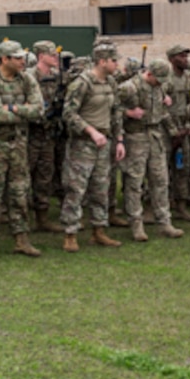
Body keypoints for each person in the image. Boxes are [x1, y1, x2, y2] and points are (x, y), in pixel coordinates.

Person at [0, 40, 44, 260]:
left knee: (20, 192)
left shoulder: (27, 79)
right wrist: (24, 111)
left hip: (18, 144)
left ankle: (22, 239)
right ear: (5, 59)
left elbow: (39, 110)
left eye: (23, 57)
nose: (23, 61)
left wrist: (13, 108)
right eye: (18, 58)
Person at [60, 43, 126, 252]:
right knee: (76, 189)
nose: (117, 64)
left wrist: (120, 140)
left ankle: (99, 230)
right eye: (113, 60)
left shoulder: (111, 83)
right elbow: (69, 114)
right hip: (83, 144)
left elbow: (116, 112)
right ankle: (70, 233)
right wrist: (90, 131)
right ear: (102, 61)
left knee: (101, 188)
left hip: (104, 143)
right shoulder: (82, 83)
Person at [117, 59, 185, 241]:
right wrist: (128, 113)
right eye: (158, 79)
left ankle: (164, 222)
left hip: (155, 136)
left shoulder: (159, 87)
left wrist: (173, 131)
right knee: (135, 182)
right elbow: (110, 110)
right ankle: (136, 224)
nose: (161, 83)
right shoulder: (128, 88)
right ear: (149, 74)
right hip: (135, 137)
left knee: (160, 180)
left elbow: (162, 112)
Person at [27, 41, 66, 233]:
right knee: (23, 176)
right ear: (41, 56)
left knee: (45, 176)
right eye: (52, 55)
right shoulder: (28, 77)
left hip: (49, 134)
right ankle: (18, 218)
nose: (56, 58)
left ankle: (42, 218)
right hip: (30, 134)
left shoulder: (58, 77)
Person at [165, 45, 190, 222]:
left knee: (183, 167)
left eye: (186, 56)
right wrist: (172, 131)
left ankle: (181, 206)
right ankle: (161, 204)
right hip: (166, 129)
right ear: (172, 59)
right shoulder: (166, 78)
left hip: (182, 129)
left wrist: (187, 126)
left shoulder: (186, 79)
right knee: (161, 170)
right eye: (181, 56)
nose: (186, 59)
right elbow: (159, 107)